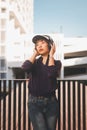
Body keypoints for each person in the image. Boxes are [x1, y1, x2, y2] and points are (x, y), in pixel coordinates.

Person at [22, 35, 62, 130]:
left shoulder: (57, 63)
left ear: (50, 46)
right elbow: (25, 67)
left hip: (51, 103)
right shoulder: (33, 63)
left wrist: (51, 55)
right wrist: (34, 55)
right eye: (37, 44)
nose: (39, 46)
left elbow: (50, 73)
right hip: (34, 103)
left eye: (43, 43)